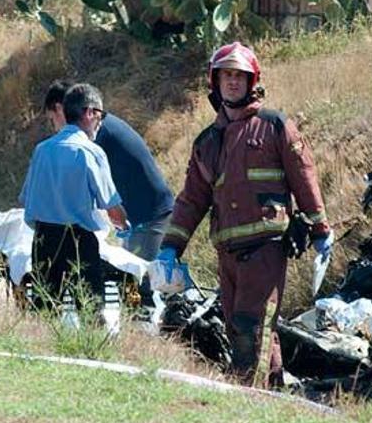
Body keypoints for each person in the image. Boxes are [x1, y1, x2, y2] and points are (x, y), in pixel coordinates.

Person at [157, 42, 334, 389]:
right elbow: (192, 199)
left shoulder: (275, 126)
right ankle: (274, 395)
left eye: (240, 76)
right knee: (241, 327)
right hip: (228, 252)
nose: (233, 82)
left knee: (250, 324)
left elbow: (304, 175)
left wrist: (319, 227)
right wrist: (170, 247)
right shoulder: (207, 142)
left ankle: (243, 397)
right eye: (227, 75)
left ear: (252, 81)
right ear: (215, 81)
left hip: (265, 248)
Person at [42, 79, 174, 302]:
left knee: (140, 291)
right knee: (134, 288)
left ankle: (155, 334)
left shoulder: (95, 135)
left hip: (149, 217)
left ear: (60, 108)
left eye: (52, 119)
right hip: (140, 217)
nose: (55, 126)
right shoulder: (99, 127)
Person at [19, 83, 129, 308]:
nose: (101, 123)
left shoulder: (42, 150)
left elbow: (25, 197)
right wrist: (125, 227)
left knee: (44, 312)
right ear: (90, 114)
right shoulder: (91, 151)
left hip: (43, 240)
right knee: (90, 310)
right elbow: (112, 208)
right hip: (78, 242)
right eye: (101, 116)